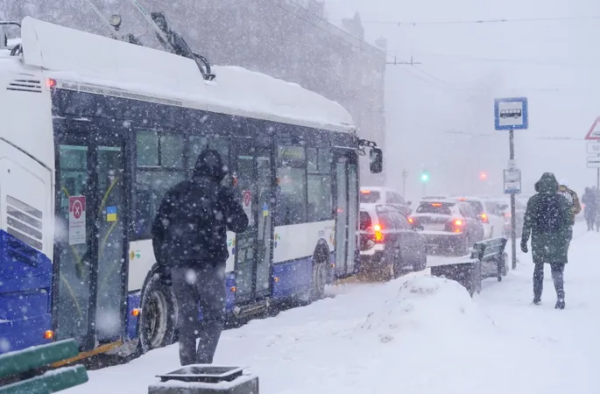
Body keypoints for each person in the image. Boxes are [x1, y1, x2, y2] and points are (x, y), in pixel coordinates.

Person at [151, 149, 248, 366]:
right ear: (219, 171)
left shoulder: (177, 191)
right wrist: (232, 198)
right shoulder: (221, 194)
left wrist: (166, 264)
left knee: (187, 320)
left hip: (179, 268)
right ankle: (202, 367)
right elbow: (241, 224)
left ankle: (187, 369)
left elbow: (158, 229)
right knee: (214, 317)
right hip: (210, 268)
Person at [521, 173, 571, 309]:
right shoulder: (562, 200)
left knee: (538, 268)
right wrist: (565, 239)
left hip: (539, 240)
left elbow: (528, 222)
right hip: (557, 240)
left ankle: (537, 297)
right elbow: (568, 221)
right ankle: (560, 296)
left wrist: (524, 240)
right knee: (557, 269)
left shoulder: (533, 201)